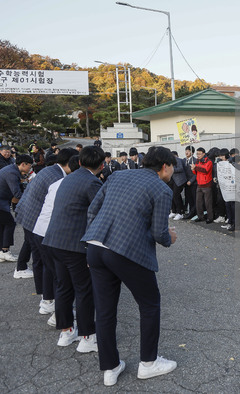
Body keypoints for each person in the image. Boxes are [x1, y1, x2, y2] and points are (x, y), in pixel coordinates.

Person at [82, 146, 178, 386]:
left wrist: (93, 239)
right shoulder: (161, 189)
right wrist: (170, 237)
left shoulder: (118, 175)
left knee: (104, 310)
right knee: (149, 303)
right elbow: (159, 232)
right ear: (165, 166)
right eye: (173, 166)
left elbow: (93, 209)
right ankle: (148, 363)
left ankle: (110, 368)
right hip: (126, 251)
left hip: (95, 246)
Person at [43, 147, 104, 352]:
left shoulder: (68, 178)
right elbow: (98, 214)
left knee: (63, 287)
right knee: (84, 290)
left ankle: (66, 331)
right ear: (102, 165)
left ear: (78, 162)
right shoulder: (92, 182)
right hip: (73, 245)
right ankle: (88, 337)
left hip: (53, 240)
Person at [15, 148, 79, 319]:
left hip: (31, 220)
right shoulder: (57, 177)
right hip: (38, 223)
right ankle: (56, 310)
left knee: (43, 263)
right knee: (54, 268)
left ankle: (47, 300)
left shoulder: (50, 170)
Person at [0, 155, 33, 265]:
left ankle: (1, 253)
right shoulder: (12, 173)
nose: (30, 169)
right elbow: (17, 194)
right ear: (23, 164)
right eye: (29, 166)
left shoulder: (11, 169)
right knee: (10, 224)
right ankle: (5, 250)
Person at [192, 147, 214, 223]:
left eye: (199, 154)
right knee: (198, 202)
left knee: (208, 203)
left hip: (207, 184)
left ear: (204, 154)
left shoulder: (208, 161)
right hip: (199, 184)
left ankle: (210, 218)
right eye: (197, 154)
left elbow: (205, 170)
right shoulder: (197, 161)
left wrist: (196, 167)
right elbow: (196, 172)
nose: (198, 155)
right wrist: (193, 169)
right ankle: (200, 216)